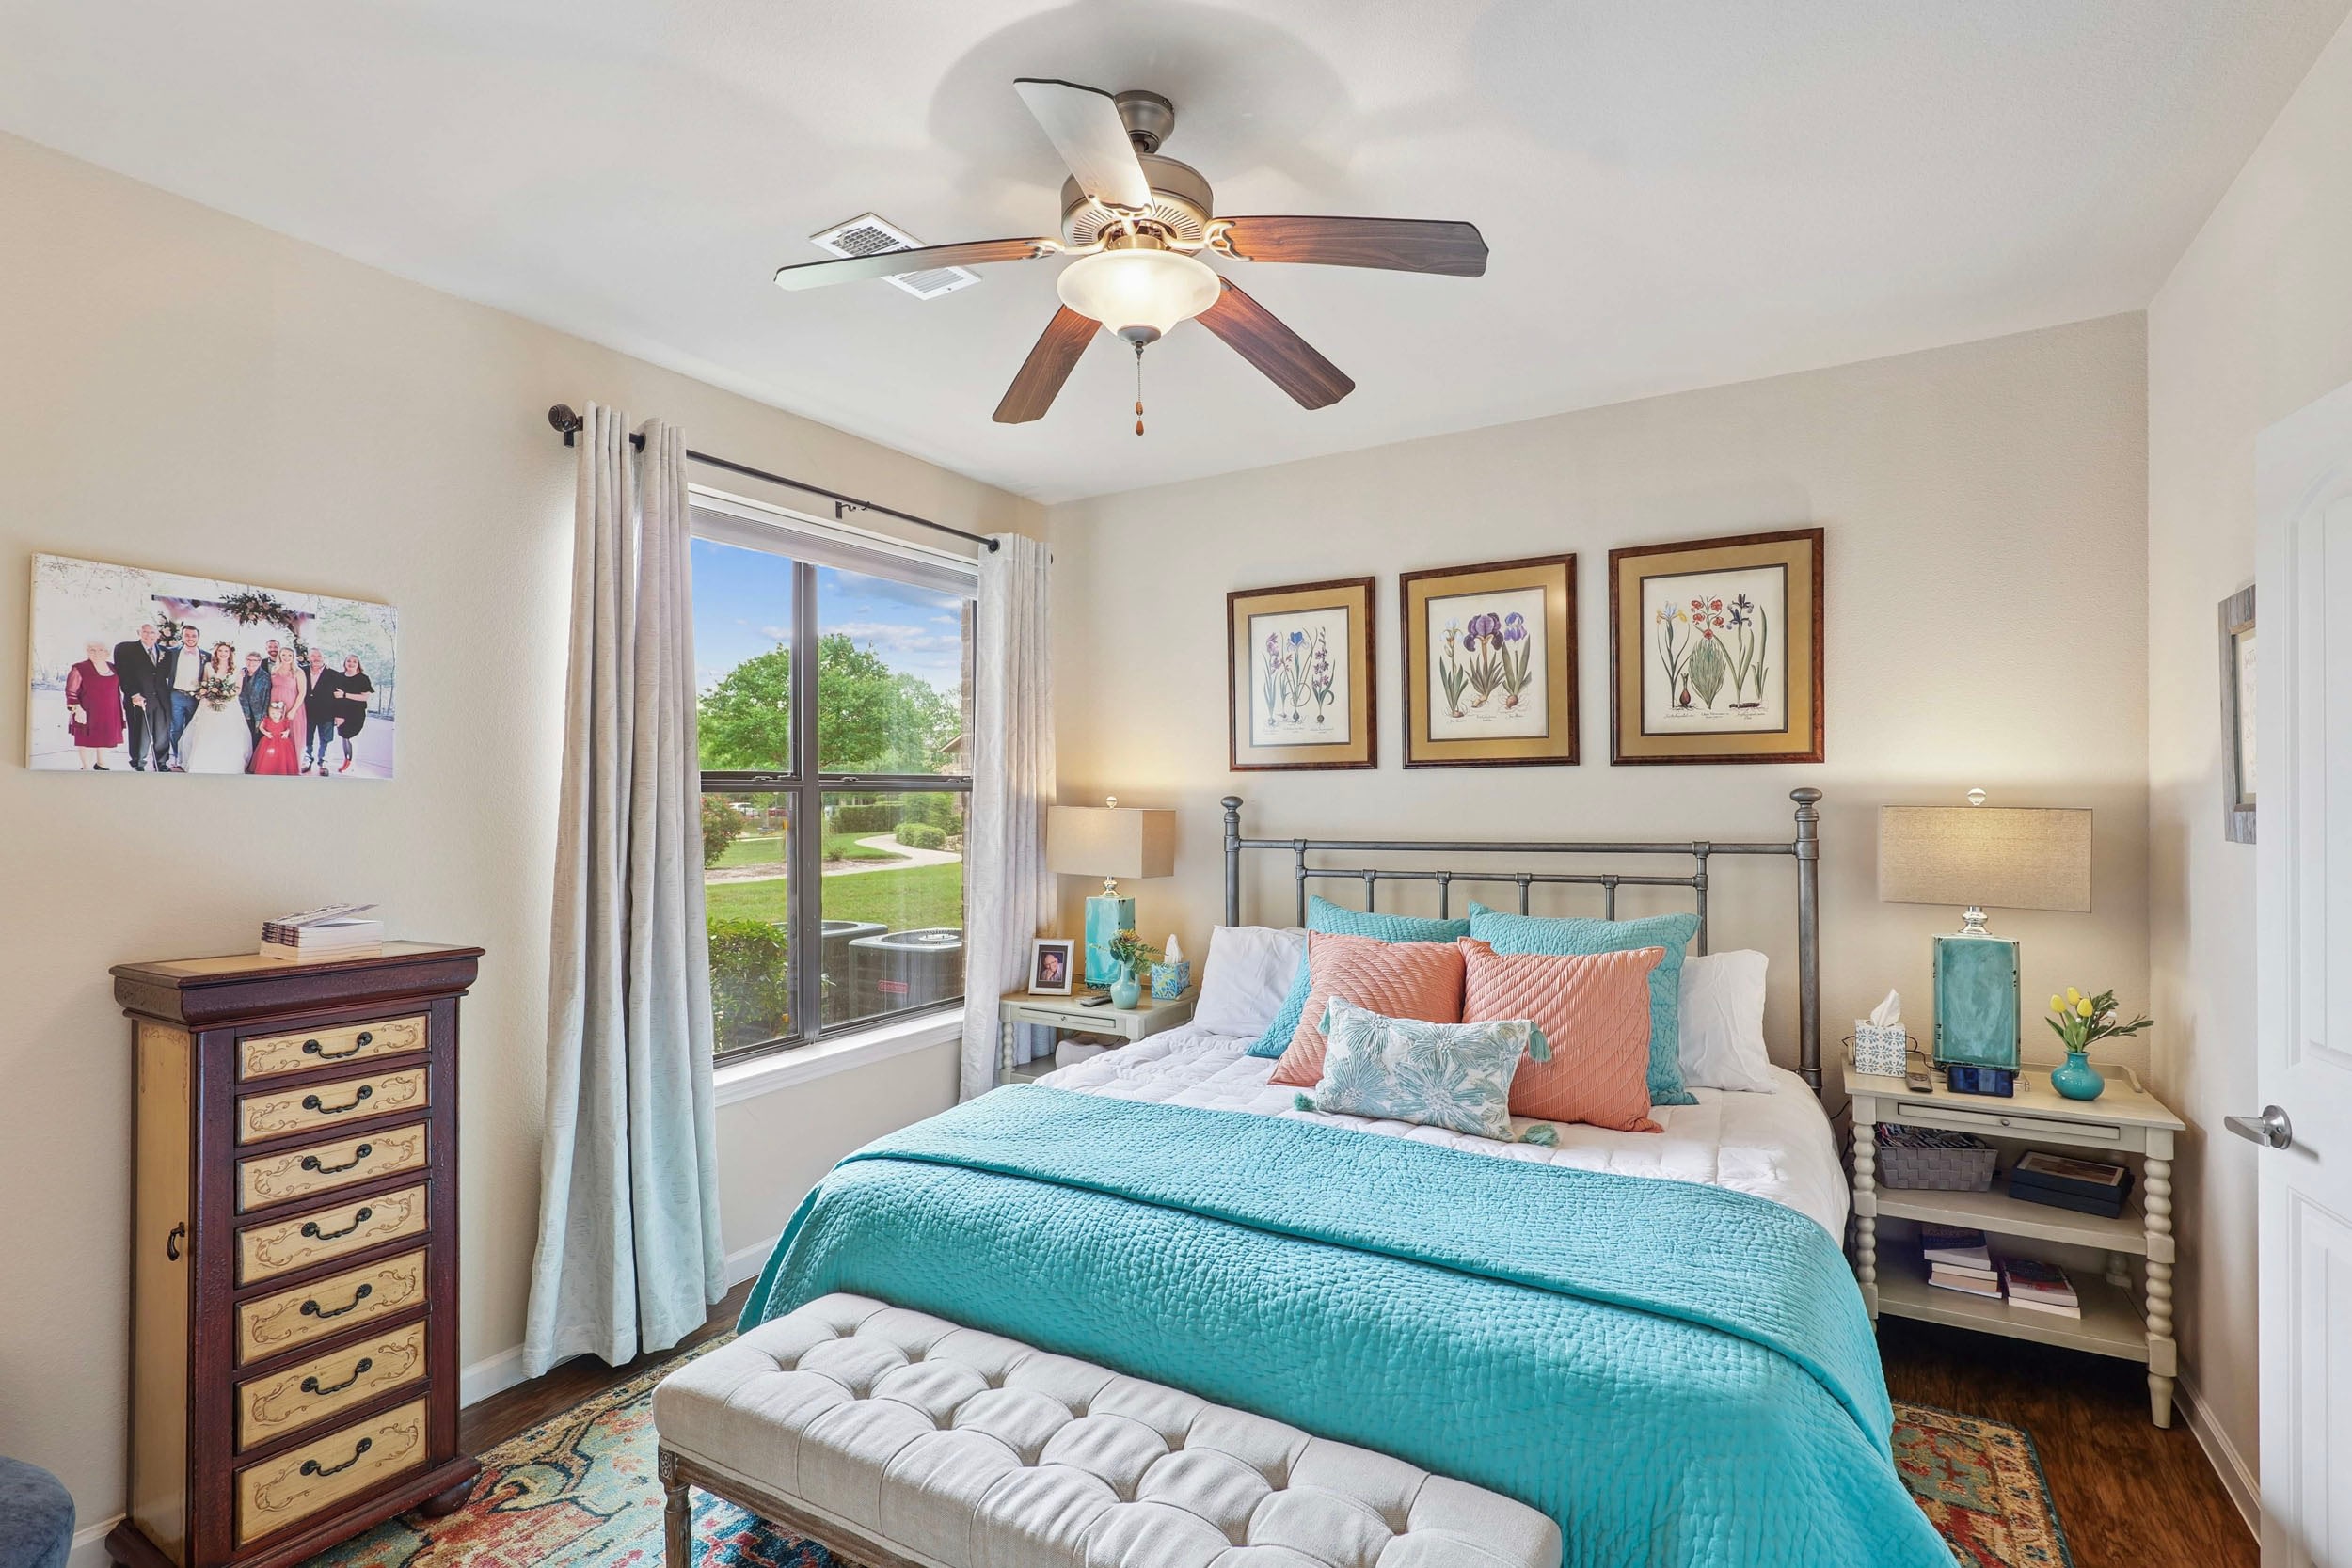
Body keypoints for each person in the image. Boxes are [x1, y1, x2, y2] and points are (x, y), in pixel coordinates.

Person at [180, 642, 253, 775]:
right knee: (207, 731)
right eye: (220, 651)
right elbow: (204, 683)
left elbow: (238, 689)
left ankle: (227, 764)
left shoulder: (237, 668)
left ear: (230, 653)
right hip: (209, 703)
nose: (223, 653)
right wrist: (209, 694)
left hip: (229, 705)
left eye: (226, 651)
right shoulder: (208, 666)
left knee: (228, 733)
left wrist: (226, 695)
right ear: (216, 652)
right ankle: (204, 763)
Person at [111, 623, 168, 771]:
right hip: (138, 697)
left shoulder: (165, 652)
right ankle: (138, 762)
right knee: (139, 732)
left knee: (162, 732)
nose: (149, 635)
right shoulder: (126, 649)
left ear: (158, 635)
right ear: (139, 632)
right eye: (145, 632)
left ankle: (161, 763)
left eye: (152, 632)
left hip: (161, 699)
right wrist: (133, 694)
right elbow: (123, 674)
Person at [63, 640, 123, 770]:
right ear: (87, 652)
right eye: (92, 650)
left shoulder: (113, 667)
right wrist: (77, 709)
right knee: (86, 740)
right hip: (87, 711)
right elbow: (71, 691)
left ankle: (102, 765)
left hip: (110, 711)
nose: (96, 653)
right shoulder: (79, 668)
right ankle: (87, 768)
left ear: (107, 652)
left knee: (105, 738)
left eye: (100, 650)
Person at [327, 654, 375, 774]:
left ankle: (353, 763)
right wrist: (336, 714)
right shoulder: (338, 676)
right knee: (344, 737)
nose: (351, 663)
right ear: (345, 663)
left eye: (354, 661)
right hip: (341, 713)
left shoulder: (363, 678)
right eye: (349, 661)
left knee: (352, 738)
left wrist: (345, 694)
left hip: (356, 713)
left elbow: (364, 697)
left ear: (358, 664)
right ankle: (346, 761)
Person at [301, 647, 342, 776]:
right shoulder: (302, 671)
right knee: (307, 738)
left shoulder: (334, 674)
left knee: (326, 739)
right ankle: (307, 760)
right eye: (313, 655)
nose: (316, 658)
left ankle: (324, 762)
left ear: (323, 658)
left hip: (327, 713)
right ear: (309, 657)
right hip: (307, 711)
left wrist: (339, 714)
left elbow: (339, 697)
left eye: (319, 656)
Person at [267, 649, 307, 755]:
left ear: (293, 657)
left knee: (292, 734)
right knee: (277, 733)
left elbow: (302, 692)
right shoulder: (274, 669)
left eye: (290, 655)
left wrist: (293, 710)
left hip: (292, 705)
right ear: (279, 656)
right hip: (276, 706)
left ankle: (293, 765)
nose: (286, 657)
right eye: (284, 654)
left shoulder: (298, 672)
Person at [252, 701, 301, 776]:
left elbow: (288, 728)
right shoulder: (267, 720)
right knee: (268, 756)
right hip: (269, 740)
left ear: (281, 713)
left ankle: (280, 769)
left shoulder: (284, 721)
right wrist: (266, 733)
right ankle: (268, 769)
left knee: (281, 756)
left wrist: (286, 732)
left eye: (277, 714)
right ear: (269, 712)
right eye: (272, 713)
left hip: (282, 742)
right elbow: (261, 727)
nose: (275, 715)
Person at [238, 652, 270, 756]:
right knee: (243, 737)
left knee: (255, 738)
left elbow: (267, 697)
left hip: (258, 712)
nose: (251, 663)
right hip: (243, 710)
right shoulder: (241, 672)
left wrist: (264, 717)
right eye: (249, 659)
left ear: (260, 662)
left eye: (254, 660)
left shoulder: (264, 676)